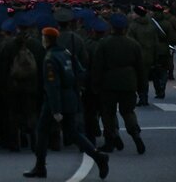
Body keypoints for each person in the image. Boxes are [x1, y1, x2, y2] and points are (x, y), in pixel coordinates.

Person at [23, 27, 108, 180]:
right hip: (70, 96)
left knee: (42, 131)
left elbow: (52, 85)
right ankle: (98, 156)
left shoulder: (50, 58)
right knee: (73, 133)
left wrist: (56, 109)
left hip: (55, 100)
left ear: (47, 39)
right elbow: (81, 71)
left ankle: (40, 166)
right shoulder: (66, 53)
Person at [92, 13, 145, 156]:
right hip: (129, 82)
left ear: (112, 28)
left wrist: (95, 84)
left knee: (108, 113)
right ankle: (135, 134)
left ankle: (112, 138)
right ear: (125, 28)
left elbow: (98, 66)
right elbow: (140, 67)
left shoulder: (104, 43)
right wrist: (141, 87)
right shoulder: (133, 44)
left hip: (108, 83)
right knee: (128, 112)